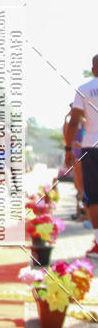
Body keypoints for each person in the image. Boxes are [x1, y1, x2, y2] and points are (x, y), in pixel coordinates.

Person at [65, 55, 98, 255]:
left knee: (93, 196)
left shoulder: (84, 89)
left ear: (93, 68)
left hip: (91, 146)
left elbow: (74, 121)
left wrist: (68, 148)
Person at [63, 105, 85, 221]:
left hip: (85, 155)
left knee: (82, 185)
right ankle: (80, 212)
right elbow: (65, 134)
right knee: (78, 186)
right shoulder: (70, 124)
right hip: (75, 155)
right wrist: (67, 117)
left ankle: (84, 213)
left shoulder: (85, 123)